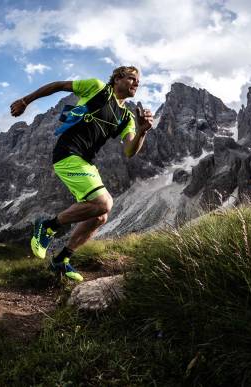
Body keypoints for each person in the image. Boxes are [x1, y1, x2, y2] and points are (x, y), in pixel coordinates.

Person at [10, 66, 153, 282]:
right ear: (117, 78)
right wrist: (25, 100)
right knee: (104, 202)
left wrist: (142, 131)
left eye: (138, 82)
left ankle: (62, 260)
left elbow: (129, 151)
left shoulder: (126, 117)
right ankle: (47, 226)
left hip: (86, 162)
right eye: (132, 79)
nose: (136, 84)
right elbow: (59, 85)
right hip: (67, 154)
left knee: (100, 216)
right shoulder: (97, 88)